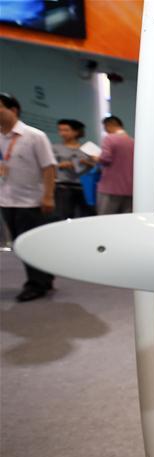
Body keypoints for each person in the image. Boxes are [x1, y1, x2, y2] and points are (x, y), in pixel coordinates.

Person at [0, 93, 56, 301]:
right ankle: (44, 276)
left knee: (30, 244)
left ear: (13, 110)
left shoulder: (34, 136)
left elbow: (49, 167)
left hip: (31, 200)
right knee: (18, 244)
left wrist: (48, 196)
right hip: (6, 199)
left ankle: (36, 284)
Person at [53, 119, 95, 219]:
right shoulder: (55, 147)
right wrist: (60, 165)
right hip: (63, 187)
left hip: (84, 187)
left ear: (76, 132)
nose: (62, 133)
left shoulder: (86, 149)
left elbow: (96, 166)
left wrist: (88, 163)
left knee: (85, 216)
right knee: (64, 216)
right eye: (60, 130)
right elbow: (50, 166)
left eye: (66, 130)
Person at [95, 115, 134, 215]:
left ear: (109, 125)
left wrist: (95, 158)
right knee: (125, 221)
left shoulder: (110, 139)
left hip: (110, 188)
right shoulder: (133, 141)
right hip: (129, 189)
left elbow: (105, 159)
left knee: (105, 220)